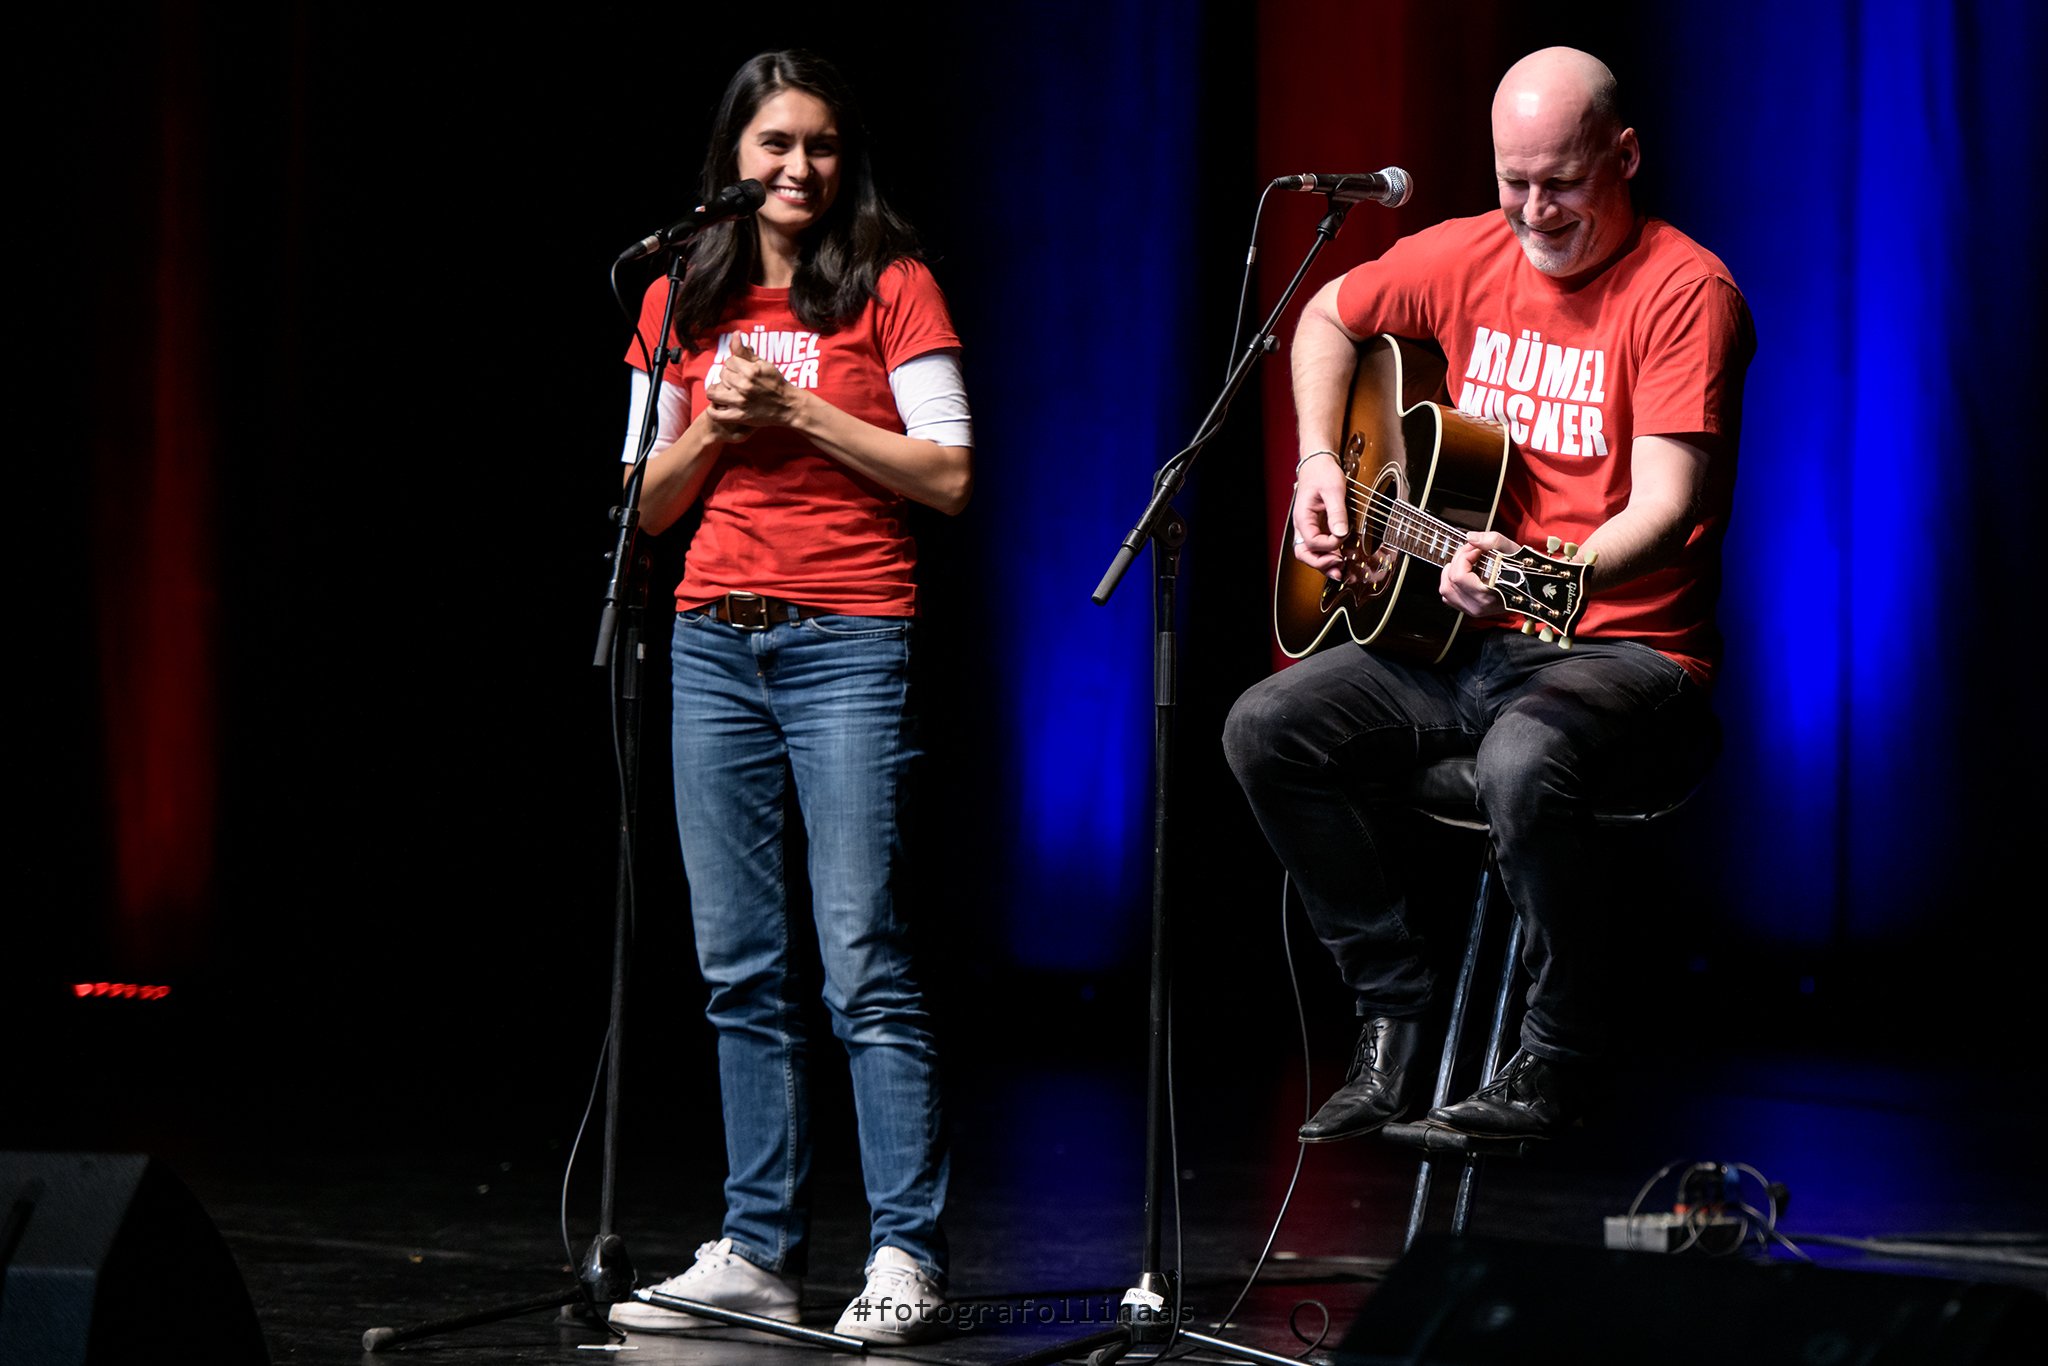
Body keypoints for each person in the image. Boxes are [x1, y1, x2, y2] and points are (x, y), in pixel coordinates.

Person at [1224, 47, 1754, 1143]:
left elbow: (1663, 505)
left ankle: (1553, 1056)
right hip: (1461, 644)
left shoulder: (1682, 291)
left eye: (1557, 181)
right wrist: (1318, 465)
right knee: (1263, 726)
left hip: (1620, 651)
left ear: (1623, 154)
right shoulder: (1464, 251)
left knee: (1522, 758)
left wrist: (1532, 568)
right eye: (1511, 181)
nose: (1530, 209)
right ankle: (1390, 1015)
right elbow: (1325, 314)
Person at [607, 50, 971, 1344]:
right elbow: (643, 509)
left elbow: (948, 476)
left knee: (863, 956)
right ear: (732, 159)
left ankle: (906, 1249)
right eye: (773, 145)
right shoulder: (672, 298)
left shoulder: (894, 285)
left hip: (847, 643)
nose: (798, 168)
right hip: (711, 641)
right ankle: (759, 1249)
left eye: (819, 145)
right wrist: (713, 423)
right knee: (737, 965)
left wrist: (808, 415)